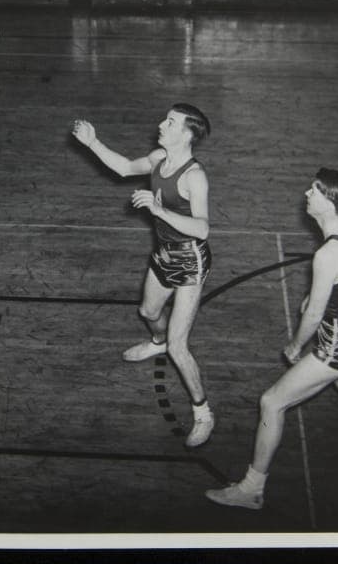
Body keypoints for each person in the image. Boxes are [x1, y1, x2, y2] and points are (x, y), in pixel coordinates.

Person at [205, 168, 338, 510]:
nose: (306, 194)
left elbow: (312, 316)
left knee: (272, 402)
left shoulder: (327, 255)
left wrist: (296, 346)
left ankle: (252, 489)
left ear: (329, 202)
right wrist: (334, 299)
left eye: (314, 190)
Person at [72, 104, 215, 447]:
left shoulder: (194, 176)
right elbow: (123, 168)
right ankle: (157, 342)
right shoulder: (158, 157)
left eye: (171, 122)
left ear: (188, 134)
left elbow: (203, 228)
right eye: (164, 118)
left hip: (190, 261)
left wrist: (158, 209)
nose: (161, 124)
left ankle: (203, 413)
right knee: (149, 313)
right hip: (164, 253)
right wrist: (93, 143)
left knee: (180, 348)